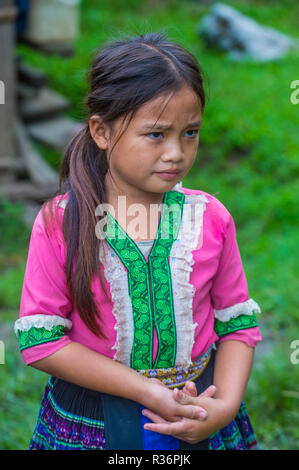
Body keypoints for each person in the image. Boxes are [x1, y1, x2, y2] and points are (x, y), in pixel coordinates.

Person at [14, 31, 262, 450]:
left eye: (190, 133)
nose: (176, 153)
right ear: (101, 132)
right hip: (95, 420)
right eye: (156, 134)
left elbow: (237, 324)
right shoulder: (62, 222)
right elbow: (41, 342)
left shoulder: (210, 218)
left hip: (199, 409)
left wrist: (225, 404)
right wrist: (147, 391)